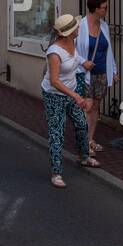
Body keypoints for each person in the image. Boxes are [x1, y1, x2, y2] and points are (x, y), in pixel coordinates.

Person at [42, 13, 100, 188]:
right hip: (54, 96)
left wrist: (84, 62)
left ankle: (84, 157)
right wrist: (75, 95)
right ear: (68, 33)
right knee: (57, 132)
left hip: (72, 91)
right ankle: (56, 173)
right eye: (76, 27)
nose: (79, 28)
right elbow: (54, 81)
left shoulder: (71, 44)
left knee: (82, 124)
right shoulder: (54, 52)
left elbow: (74, 58)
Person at [77, 0, 117, 155]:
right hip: (85, 73)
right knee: (87, 107)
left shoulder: (104, 26)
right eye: (104, 7)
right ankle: (83, 144)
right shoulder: (80, 26)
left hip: (101, 73)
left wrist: (113, 71)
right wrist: (82, 61)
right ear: (95, 9)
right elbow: (71, 51)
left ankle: (90, 139)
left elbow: (109, 51)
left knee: (95, 108)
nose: (107, 10)